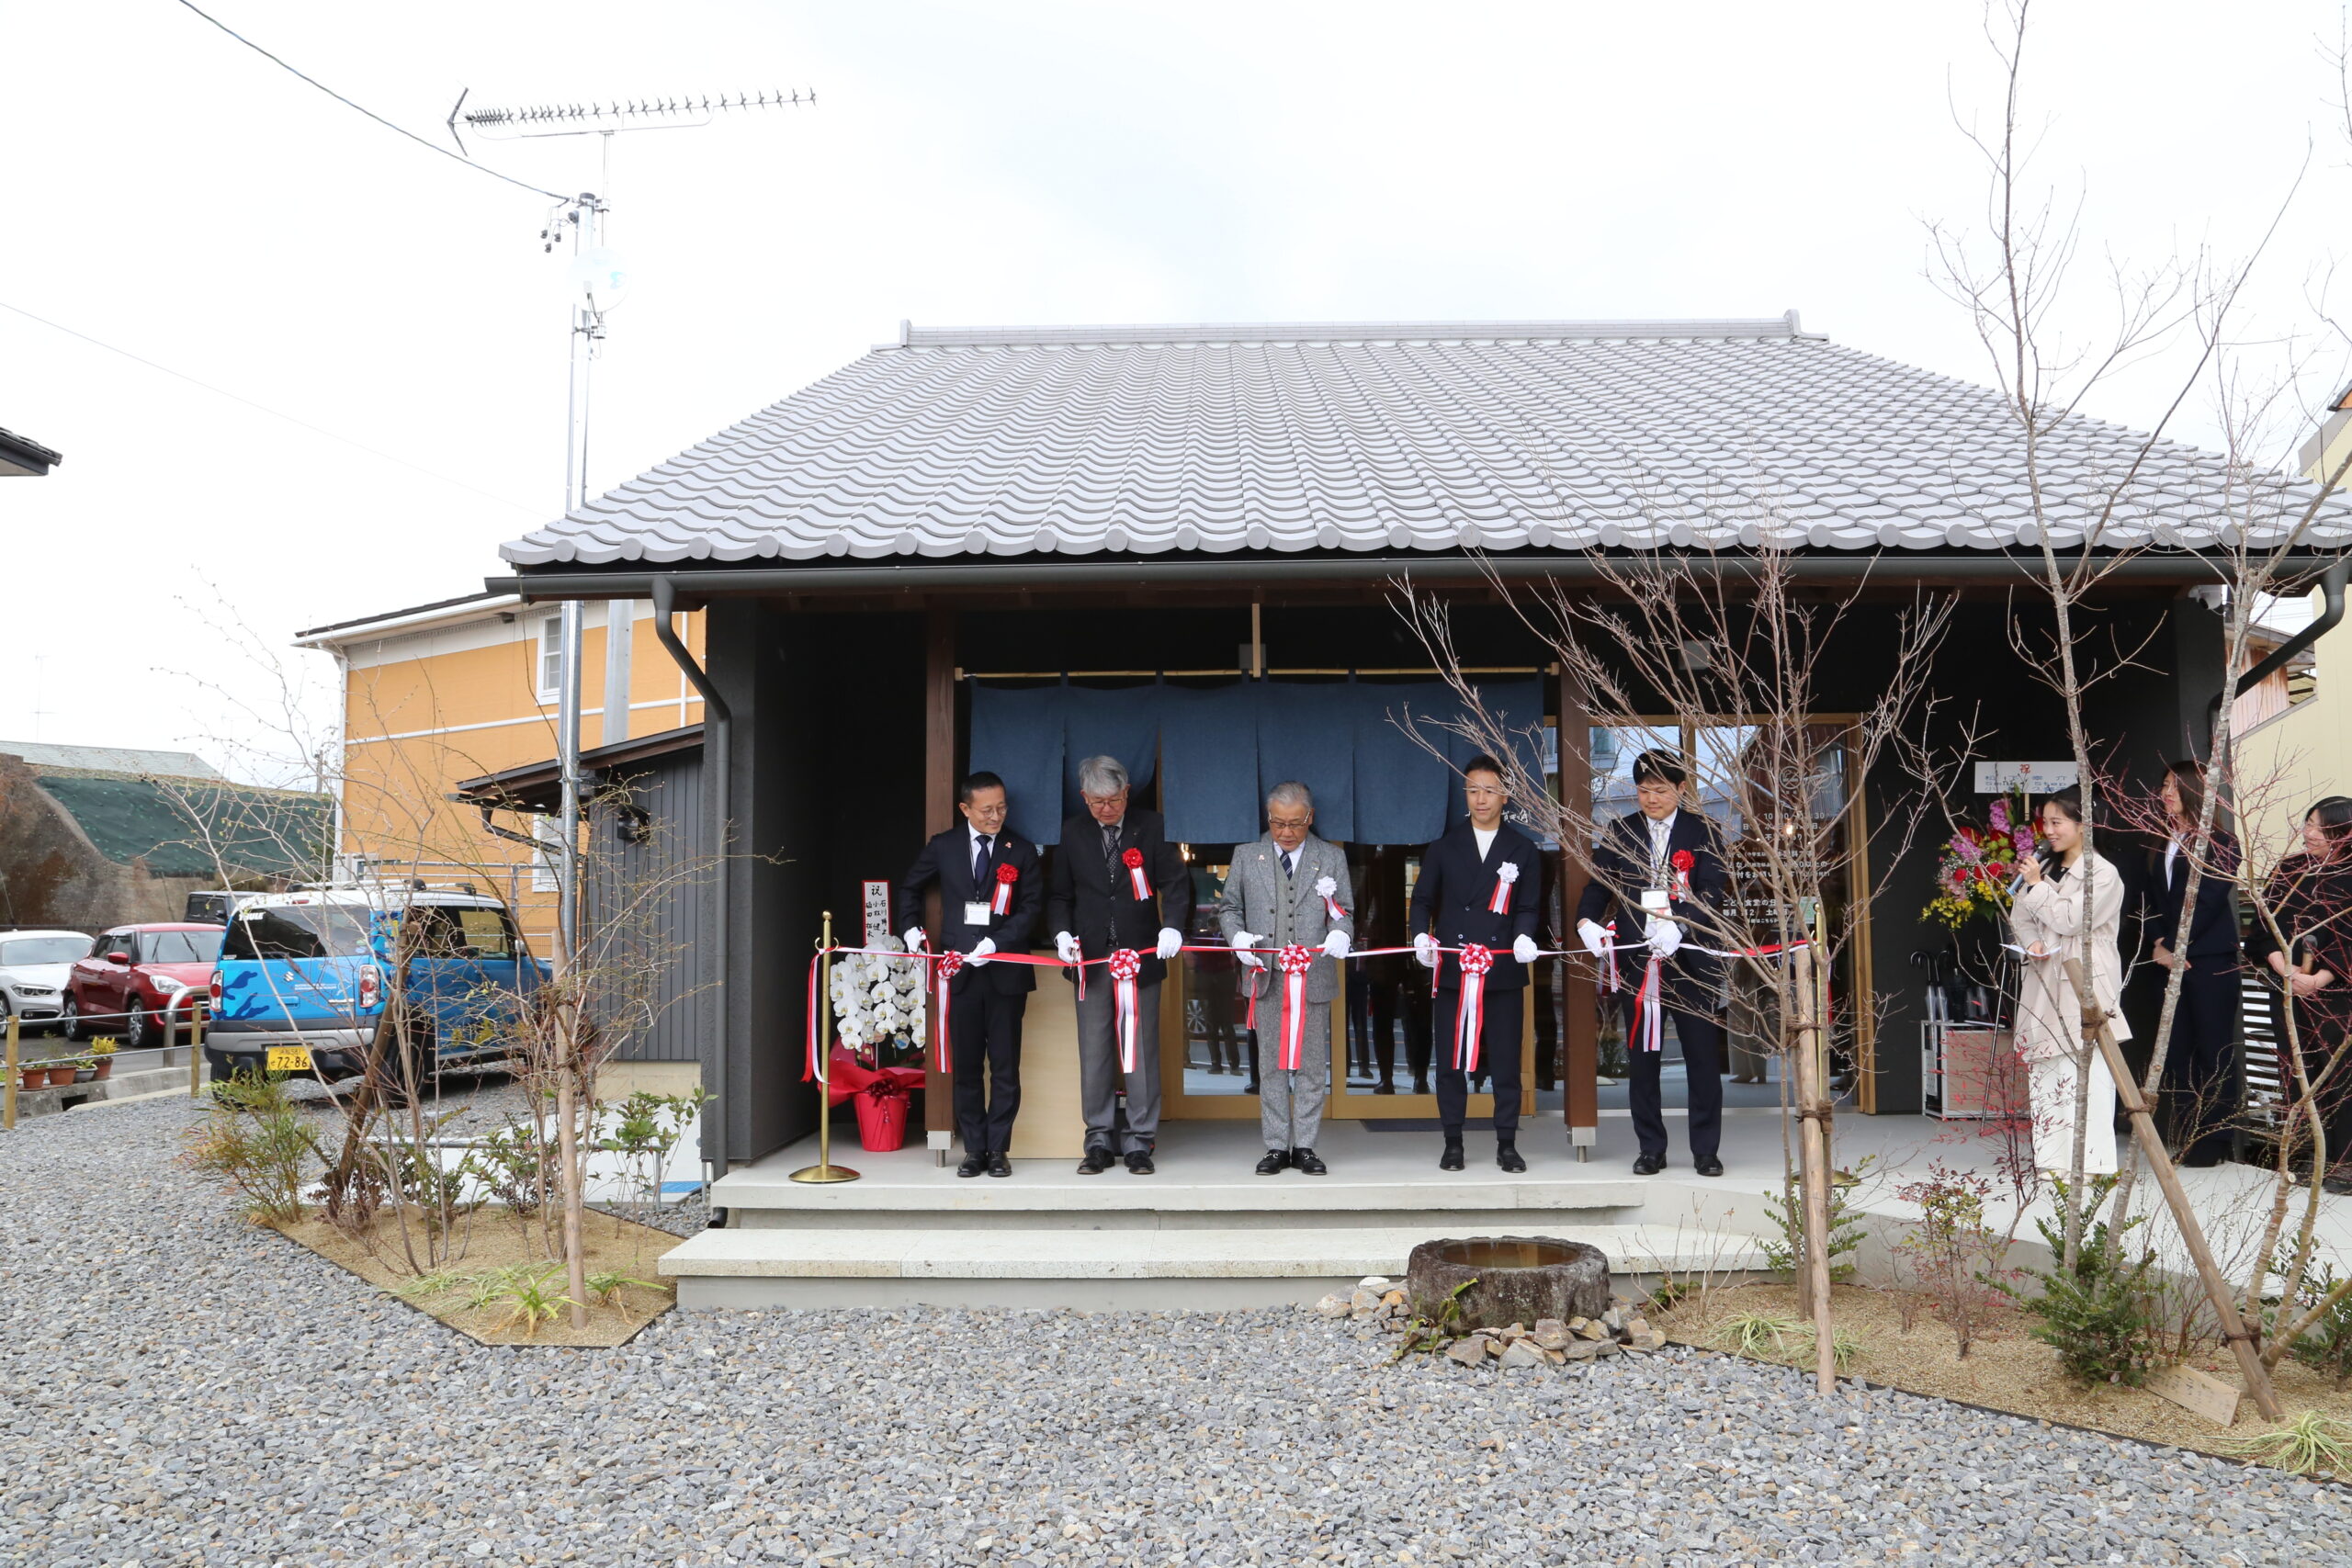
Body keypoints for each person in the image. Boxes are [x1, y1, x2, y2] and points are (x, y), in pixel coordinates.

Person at [1575, 750, 1732, 1177]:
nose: (1651, 799)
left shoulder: (1704, 830)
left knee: (1702, 1059)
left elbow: (1713, 890)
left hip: (1691, 961)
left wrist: (1681, 925)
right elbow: (1598, 885)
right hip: (1640, 962)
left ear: (1681, 789)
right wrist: (1586, 921)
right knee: (1644, 1060)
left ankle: (1705, 1150)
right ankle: (1650, 1148)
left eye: (1660, 790)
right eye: (1644, 790)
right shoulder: (1621, 830)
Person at [1046, 754, 1192, 1175]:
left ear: (1127, 792)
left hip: (1140, 956)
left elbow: (1175, 883)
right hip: (1090, 958)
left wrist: (1172, 926)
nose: (1106, 809)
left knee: (1141, 1051)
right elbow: (1060, 895)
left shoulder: (1153, 827)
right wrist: (1061, 934)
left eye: (1113, 800)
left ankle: (1140, 1140)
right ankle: (1097, 1138)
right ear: (1083, 797)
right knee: (1094, 1051)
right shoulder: (1072, 832)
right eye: (1097, 802)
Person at [894, 771, 1044, 1179]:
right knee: (967, 1067)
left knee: (1005, 1066)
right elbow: (910, 888)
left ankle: (999, 1150)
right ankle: (974, 1149)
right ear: (965, 809)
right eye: (986, 810)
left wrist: (997, 942)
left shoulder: (1021, 850)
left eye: (1002, 808)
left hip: (1005, 971)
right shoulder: (944, 846)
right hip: (959, 972)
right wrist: (911, 928)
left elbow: (1032, 907)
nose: (996, 816)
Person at [1409, 754, 1543, 1172]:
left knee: (1505, 1060)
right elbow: (1422, 900)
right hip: (1455, 967)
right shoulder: (1444, 846)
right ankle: (1453, 1141)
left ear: (1505, 795)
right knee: (1451, 1060)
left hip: (1502, 968)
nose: (1480, 799)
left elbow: (1528, 906)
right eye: (1472, 790)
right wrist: (1421, 936)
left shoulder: (1523, 848)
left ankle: (1507, 1142)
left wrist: (1523, 936)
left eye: (1489, 790)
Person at [1218, 782, 1354, 1174]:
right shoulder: (1247, 855)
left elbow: (1344, 911)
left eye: (1295, 823)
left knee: (1311, 1065)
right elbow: (1229, 908)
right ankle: (1276, 1146)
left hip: (1313, 975)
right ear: (1268, 818)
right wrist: (1237, 937)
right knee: (1271, 1066)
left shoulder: (1331, 857)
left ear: (1310, 817)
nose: (1286, 831)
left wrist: (1340, 933)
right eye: (1278, 823)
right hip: (1266, 975)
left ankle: (1306, 1146)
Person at [2010, 790, 2129, 1177]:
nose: (2048, 831)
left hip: (2085, 982)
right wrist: (2032, 942)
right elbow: (2020, 917)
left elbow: (2071, 920)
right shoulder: (2044, 867)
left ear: (2083, 825)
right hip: (2044, 979)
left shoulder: (2103, 873)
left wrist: (2036, 886)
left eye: (2056, 822)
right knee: (2046, 1066)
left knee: (2087, 1069)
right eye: (2045, 822)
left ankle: (2093, 1163)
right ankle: (2050, 1161)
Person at [2246, 796, 2352, 1195]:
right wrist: (2281, 965)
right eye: (2308, 823)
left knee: (2340, 1076)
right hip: (2288, 989)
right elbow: (2262, 925)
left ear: (2343, 832)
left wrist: (2322, 977)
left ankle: (2344, 1162)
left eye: (2318, 827)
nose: (2308, 832)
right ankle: (2307, 1156)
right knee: (2297, 1072)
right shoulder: (2291, 868)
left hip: (2338, 994)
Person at [2145, 761, 2239, 1168]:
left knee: (2213, 1050)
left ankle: (2214, 1141)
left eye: (2173, 785)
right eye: (2163, 785)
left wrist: (2176, 946)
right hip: (2167, 959)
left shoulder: (2221, 841)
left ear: (2193, 790)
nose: (2165, 793)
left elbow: (2208, 900)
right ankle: (2187, 1134)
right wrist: (2158, 943)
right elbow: (2150, 899)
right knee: (2177, 1051)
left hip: (2209, 959)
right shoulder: (2160, 838)